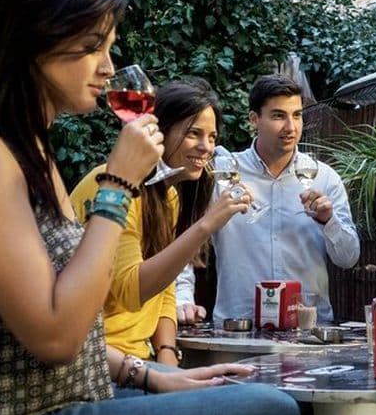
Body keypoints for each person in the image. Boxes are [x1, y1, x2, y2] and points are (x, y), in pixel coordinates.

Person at [0, 0, 299, 415]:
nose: (108, 67)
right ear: (33, 44)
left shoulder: (32, 154)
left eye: (109, 48)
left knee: (256, 390)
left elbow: (75, 317)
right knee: (271, 413)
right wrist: (118, 185)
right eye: (93, 46)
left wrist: (151, 373)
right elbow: (55, 337)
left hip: (75, 402)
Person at [71, 79, 248, 367]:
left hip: (145, 358)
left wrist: (167, 352)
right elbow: (130, 292)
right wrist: (205, 225)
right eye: (194, 133)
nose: (206, 147)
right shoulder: (110, 185)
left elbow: (165, 287)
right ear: (159, 131)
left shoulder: (169, 197)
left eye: (212, 137)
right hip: (101, 363)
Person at [177, 74, 360, 323]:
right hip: (238, 326)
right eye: (278, 116)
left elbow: (349, 258)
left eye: (297, 115)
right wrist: (182, 297)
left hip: (307, 328)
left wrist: (329, 222)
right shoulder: (224, 175)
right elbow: (187, 240)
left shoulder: (324, 178)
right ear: (254, 119)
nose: (291, 127)